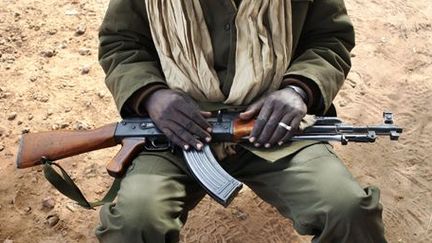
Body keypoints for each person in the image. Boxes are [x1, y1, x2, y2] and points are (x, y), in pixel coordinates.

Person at [96, 0, 387, 242]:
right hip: (176, 128)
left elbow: (329, 38)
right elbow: (120, 43)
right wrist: (151, 96)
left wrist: (299, 90)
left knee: (348, 211)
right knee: (134, 222)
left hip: (271, 125)